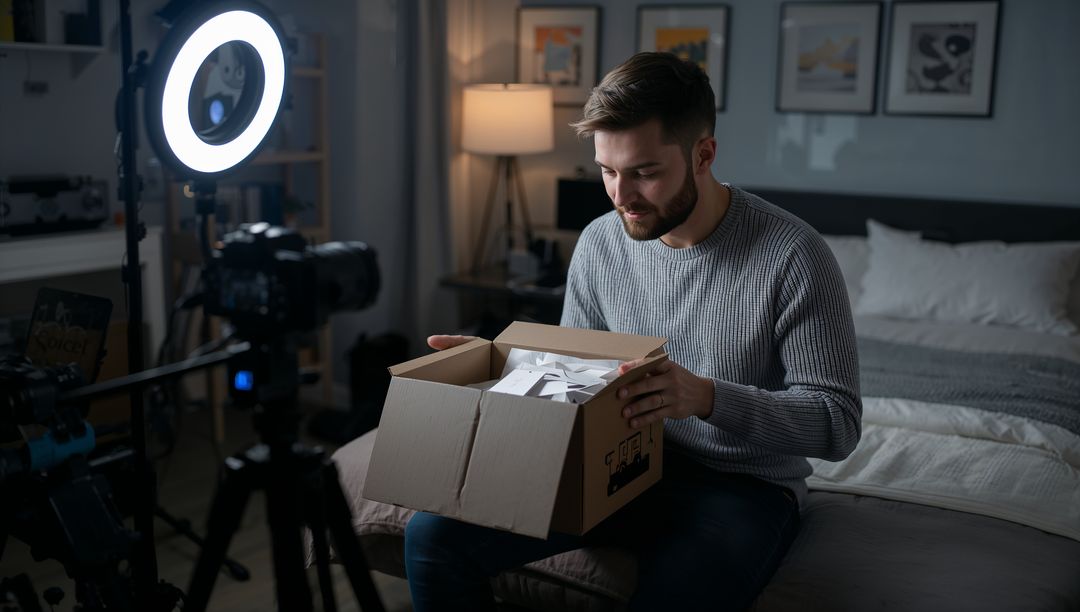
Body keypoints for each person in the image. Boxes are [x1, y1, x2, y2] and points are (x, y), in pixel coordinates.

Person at [405, 52, 861, 611]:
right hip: (615, 462)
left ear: (704, 154)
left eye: (644, 173)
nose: (621, 196)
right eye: (607, 171)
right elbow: (576, 379)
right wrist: (501, 366)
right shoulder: (600, 242)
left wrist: (705, 397)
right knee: (431, 538)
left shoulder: (795, 255)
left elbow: (837, 425)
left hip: (742, 487)